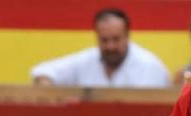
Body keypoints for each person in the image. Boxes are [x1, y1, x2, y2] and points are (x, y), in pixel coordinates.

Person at [31, 8, 170, 88]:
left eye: (116, 39)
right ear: (96, 37)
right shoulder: (87, 60)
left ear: (127, 36)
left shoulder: (150, 66)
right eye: (104, 40)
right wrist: (48, 93)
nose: (110, 46)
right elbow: (43, 72)